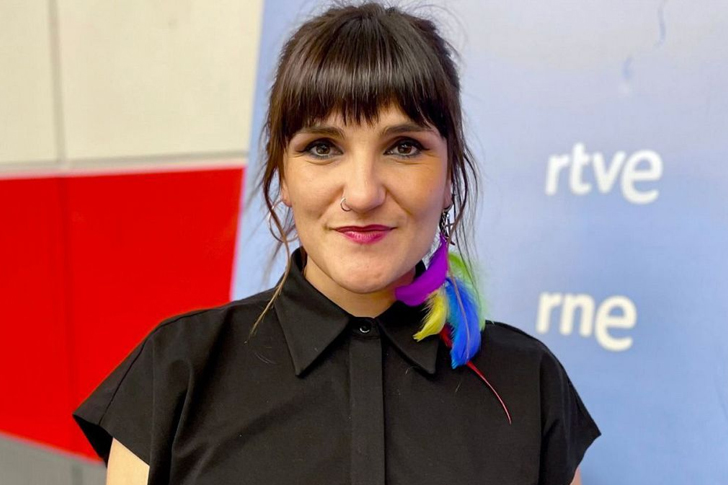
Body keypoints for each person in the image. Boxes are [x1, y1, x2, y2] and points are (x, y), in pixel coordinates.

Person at [73, 2, 601, 484]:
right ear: (282, 175)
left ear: (449, 177)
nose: (363, 193)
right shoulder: (177, 373)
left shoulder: (528, 383)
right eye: (323, 147)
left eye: (404, 147)